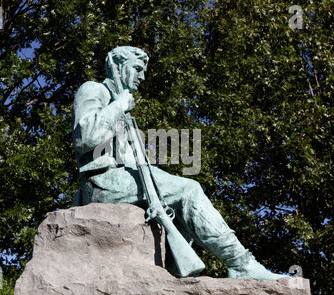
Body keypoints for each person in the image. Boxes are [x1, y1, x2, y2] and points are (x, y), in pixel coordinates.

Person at [72, 46, 286, 280]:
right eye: (137, 69)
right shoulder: (93, 89)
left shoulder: (124, 108)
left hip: (122, 182)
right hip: (102, 182)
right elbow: (85, 138)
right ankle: (241, 264)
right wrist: (119, 105)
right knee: (189, 190)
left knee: (176, 207)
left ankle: (173, 271)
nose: (142, 77)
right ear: (120, 67)